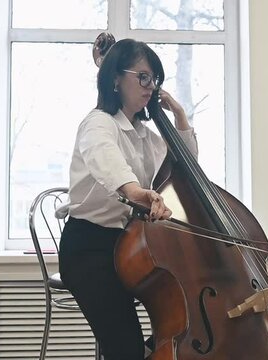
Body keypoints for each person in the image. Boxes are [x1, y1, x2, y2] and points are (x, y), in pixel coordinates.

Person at [58, 38, 198, 360]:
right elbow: (109, 164)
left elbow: (186, 168)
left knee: (179, 317)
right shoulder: (98, 124)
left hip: (132, 248)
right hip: (89, 249)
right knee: (125, 346)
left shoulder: (145, 136)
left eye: (155, 80)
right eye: (144, 77)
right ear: (116, 79)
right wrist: (136, 193)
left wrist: (179, 115)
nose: (151, 87)